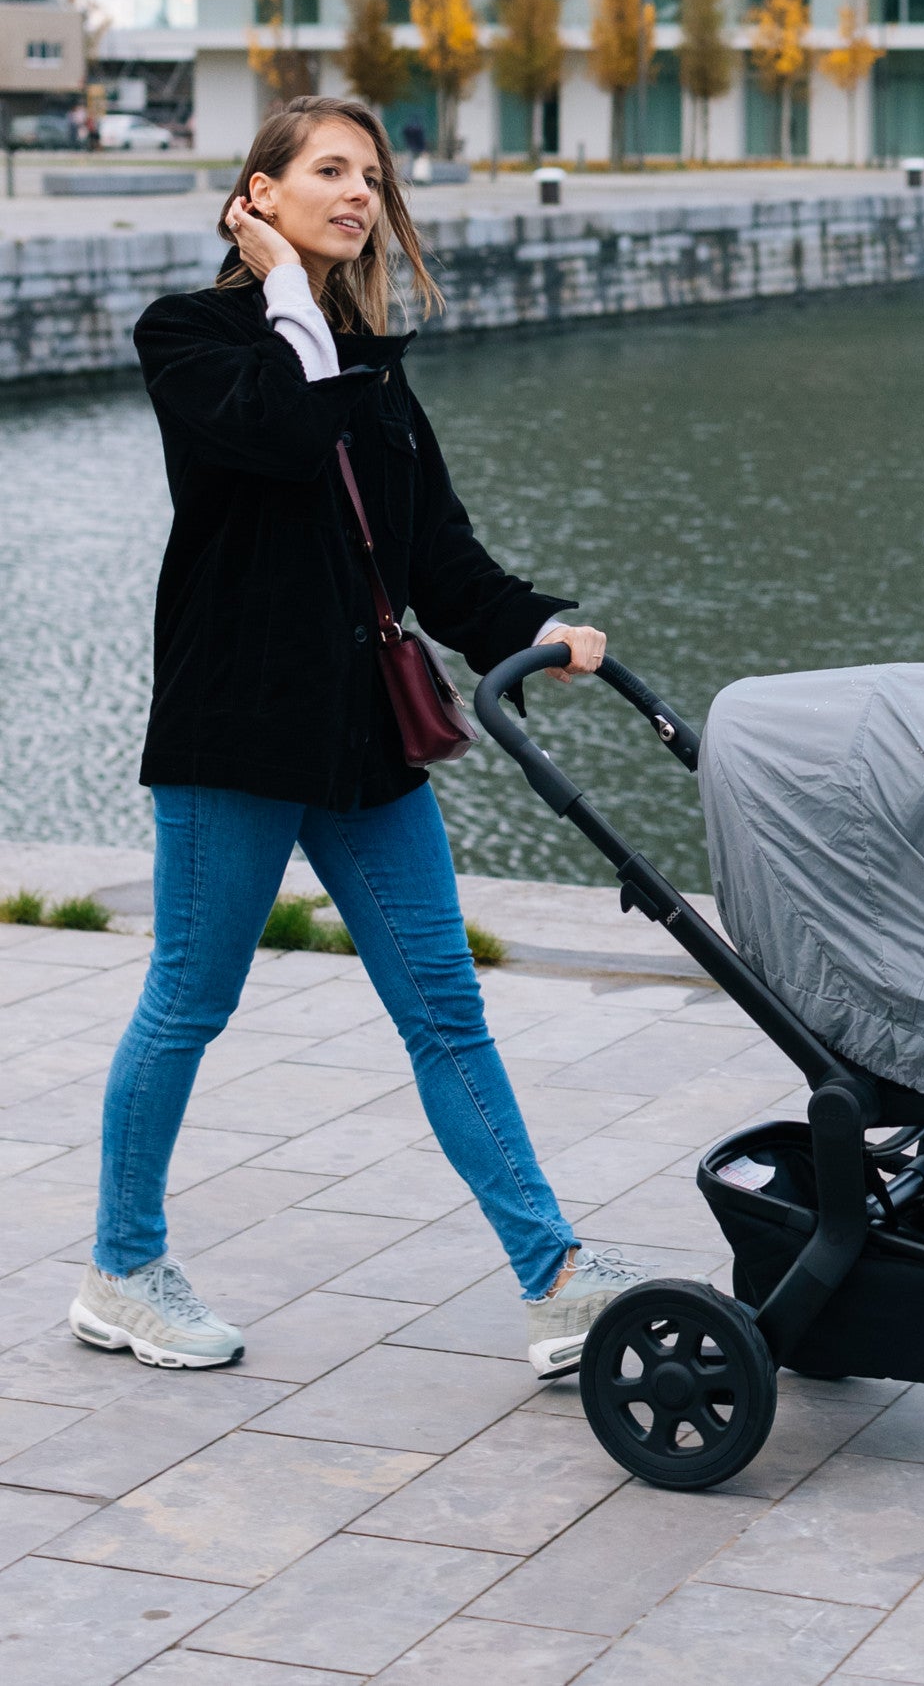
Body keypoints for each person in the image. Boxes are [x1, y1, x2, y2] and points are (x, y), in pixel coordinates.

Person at [70, 94, 660, 1378]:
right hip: (237, 731)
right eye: (329, 172)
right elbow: (280, 432)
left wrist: (546, 622)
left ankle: (554, 1275)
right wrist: (284, 291)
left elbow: (438, 561)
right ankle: (122, 1266)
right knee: (189, 1000)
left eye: (373, 178)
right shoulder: (192, 336)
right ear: (259, 193)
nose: (359, 194)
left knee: (445, 1004)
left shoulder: (373, 365)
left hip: (363, 739)